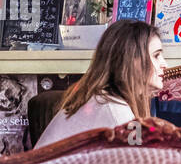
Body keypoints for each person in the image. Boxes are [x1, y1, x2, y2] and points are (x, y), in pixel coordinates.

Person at [34, 20, 166, 149]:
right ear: (131, 60)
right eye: (156, 55)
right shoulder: (116, 112)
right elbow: (139, 162)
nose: (164, 65)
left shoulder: (101, 99)